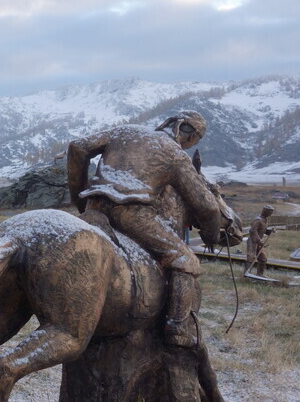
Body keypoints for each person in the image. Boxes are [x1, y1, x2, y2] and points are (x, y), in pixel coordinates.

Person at [68, 111, 225, 347]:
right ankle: (177, 327)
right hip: (132, 214)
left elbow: (78, 148)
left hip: (94, 206)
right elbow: (207, 207)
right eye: (196, 140)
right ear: (191, 135)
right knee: (185, 259)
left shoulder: (125, 130)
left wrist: (80, 197)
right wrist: (212, 235)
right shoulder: (174, 153)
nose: (192, 145)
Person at [245, 205, 275, 276]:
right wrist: (259, 240)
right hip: (253, 242)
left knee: (263, 259)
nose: (271, 214)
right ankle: (245, 275)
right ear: (265, 211)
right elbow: (253, 231)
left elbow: (263, 230)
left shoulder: (264, 220)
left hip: (258, 243)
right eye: (270, 212)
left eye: (271, 212)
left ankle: (260, 274)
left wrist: (270, 231)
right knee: (251, 258)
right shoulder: (258, 220)